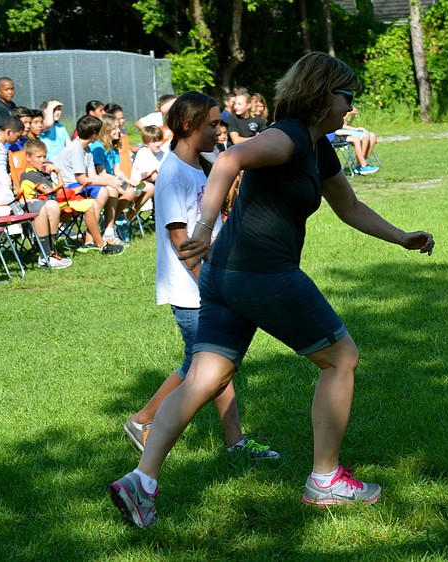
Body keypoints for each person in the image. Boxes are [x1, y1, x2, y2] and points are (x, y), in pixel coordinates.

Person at [108, 52, 435, 528]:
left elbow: (349, 206)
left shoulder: (317, 146)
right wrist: (203, 225)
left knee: (206, 376)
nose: (351, 107)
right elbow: (229, 162)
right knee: (340, 359)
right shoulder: (287, 137)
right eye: (348, 96)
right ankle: (326, 480)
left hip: (225, 275)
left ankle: (142, 481)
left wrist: (403, 237)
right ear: (324, 94)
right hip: (262, 273)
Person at [121, 92, 279, 463]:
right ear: (189, 126)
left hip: (209, 283)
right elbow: (182, 243)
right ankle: (144, 420)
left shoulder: (204, 163)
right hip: (193, 290)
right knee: (203, 367)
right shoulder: (174, 175)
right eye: (211, 124)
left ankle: (234, 440)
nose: (219, 130)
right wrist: (213, 287)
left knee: (214, 365)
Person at [0, 132, 70, 269]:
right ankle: (45, 256)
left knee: (51, 205)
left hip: (12, 208)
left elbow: (9, 196)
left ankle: (50, 253)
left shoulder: (0, 172)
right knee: (42, 209)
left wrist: (23, 202)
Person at [20, 139, 106, 263]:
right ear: (28, 157)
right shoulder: (30, 175)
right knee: (86, 204)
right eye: (38, 157)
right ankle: (50, 251)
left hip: (52, 205)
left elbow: (59, 188)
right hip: (38, 211)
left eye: (44, 156)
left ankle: (96, 242)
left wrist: (58, 173)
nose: (43, 160)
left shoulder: (43, 174)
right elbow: (52, 192)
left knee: (91, 204)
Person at [54, 114, 125, 254]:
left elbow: (91, 176)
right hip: (68, 189)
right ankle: (93, 240)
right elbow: (82, 179)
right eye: (98, 132)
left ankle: (92, 239)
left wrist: (110, 182)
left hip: (79, 186)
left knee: (108, 190)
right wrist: (109, 181)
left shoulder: (87, 149)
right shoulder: (76, 149)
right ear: (93, 134)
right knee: (104, 191)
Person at [335, 106, 379, 175]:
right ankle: (362, 164)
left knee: (373, 136)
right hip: (338, 133)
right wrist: (349, 115)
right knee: (366, 134)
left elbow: (346, 124)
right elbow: (341, 125)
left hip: (345, 131)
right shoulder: (338, 110)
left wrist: (352, 116)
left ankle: (363, 161)